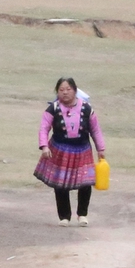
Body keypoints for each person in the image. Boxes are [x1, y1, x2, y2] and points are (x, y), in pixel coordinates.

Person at [35, 76, 104, 226]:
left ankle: (82, 215)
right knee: (60, 184)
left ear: (75, 90)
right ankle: (64, 217)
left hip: (82, 150)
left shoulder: (86, 109)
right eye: (61, 90)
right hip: (59, 150)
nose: (65, 92)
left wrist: (101, 148)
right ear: (57, 92)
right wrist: (44, 146)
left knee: (86, 183)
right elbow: (44, 128)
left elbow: (95, 130)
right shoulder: (52, 109)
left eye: (68, 89)